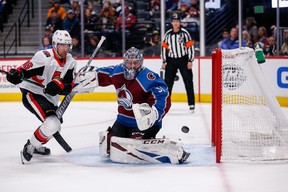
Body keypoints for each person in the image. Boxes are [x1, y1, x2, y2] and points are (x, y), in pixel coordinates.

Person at [92, 47, 189, 164]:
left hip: (144, 123)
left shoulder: (148, 77)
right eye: (129, 62)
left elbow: (163, 98)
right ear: (124, 62)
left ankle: (173, 150)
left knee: (135, 145)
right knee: (109, 144)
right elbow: (102, 74)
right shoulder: (117, 72)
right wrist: (89, 77)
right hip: (123, 120)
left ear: (141, 62)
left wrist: (154, 114)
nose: (132, 66)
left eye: (135, 62)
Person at [5, 30, 77, 164]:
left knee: (56, 126)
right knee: (52, 124)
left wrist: (59, 86)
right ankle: (30, 146)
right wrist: (15, 75)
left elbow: (68, 86)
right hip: (33, 93)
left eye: (67, 45)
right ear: (55, 44)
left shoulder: (71, 62)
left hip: (49, 98)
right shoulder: (43, 57)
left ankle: (37, 145)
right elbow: (24, 71)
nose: (65, 48)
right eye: (62, 45)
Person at [161, 12, 196, 112]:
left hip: (183, 59)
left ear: (180, 22)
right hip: (171, 60)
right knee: (168, 83)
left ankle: (191, 104)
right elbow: (164, 48)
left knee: (188, 81)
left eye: (177, 21)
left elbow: (190, 47)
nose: (176, 23)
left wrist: (190, 60)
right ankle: (166, 104)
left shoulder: (185, 33)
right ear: (171, 23)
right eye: (174, 21)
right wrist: (164, 61)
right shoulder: (167, 35)